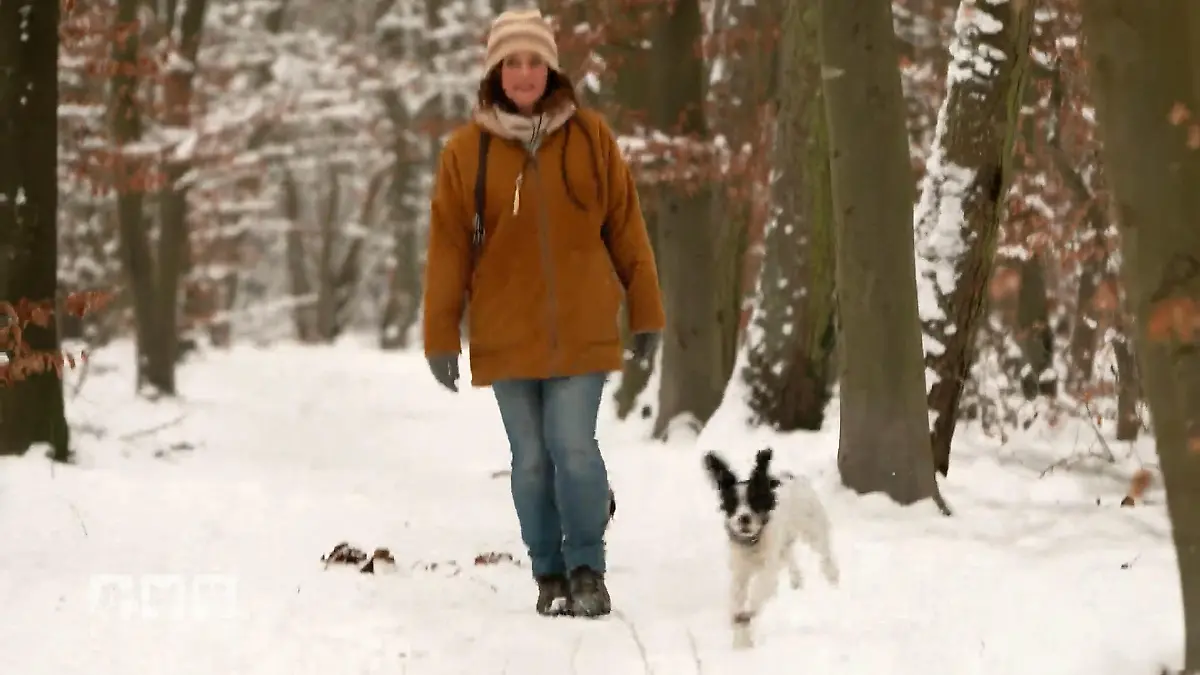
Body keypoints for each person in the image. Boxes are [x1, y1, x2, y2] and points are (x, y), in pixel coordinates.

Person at [420, 8, 665, 618]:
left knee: (572, 448)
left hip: (582, 325)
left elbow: (626, 229)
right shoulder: (465, 153)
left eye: (534, 62)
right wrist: (440, 334)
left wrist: (646, 312)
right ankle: (548, 571)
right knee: (530, 463)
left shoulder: (591, 138)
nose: (524, 73)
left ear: (551, 70)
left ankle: (586, 566)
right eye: (512, 63)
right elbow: (448, 249)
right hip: (506, 332)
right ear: (495, 72)